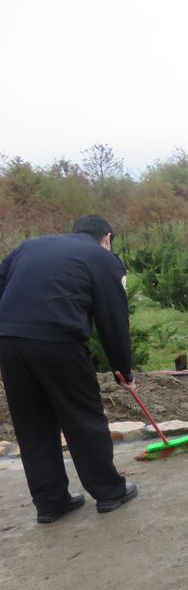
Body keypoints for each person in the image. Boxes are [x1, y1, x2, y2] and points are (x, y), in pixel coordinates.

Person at [0, 215, 138, 523]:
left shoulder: (29, 246)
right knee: (82, 415)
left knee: (31, 423)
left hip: (8, 341)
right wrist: (123, 369)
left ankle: (50, 502)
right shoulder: (101, 258)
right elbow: (112, 319)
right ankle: (109, 491)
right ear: (107, 238)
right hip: (58, 341)